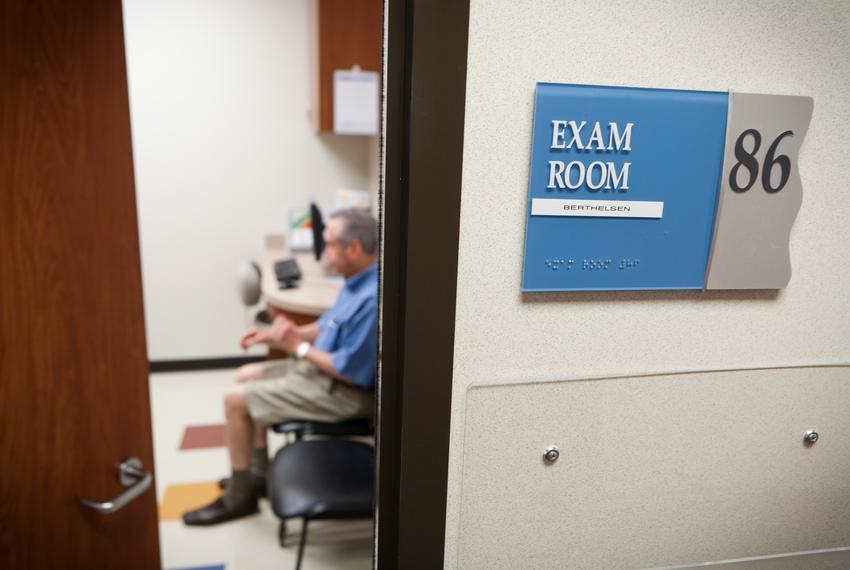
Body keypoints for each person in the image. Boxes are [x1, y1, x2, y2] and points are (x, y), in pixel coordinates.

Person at [183, 208, 378, 525]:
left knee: (235, 400)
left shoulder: (371, 298)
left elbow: (348, 371)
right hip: (320, 375)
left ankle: (239, 496)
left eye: (328, 245)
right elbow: (328, 325)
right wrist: (280, 335)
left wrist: (296, 347)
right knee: (245, 375)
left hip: (342, 392)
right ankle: (256, 476)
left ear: (353, 248)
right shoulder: (357, 280)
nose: (323, 254)